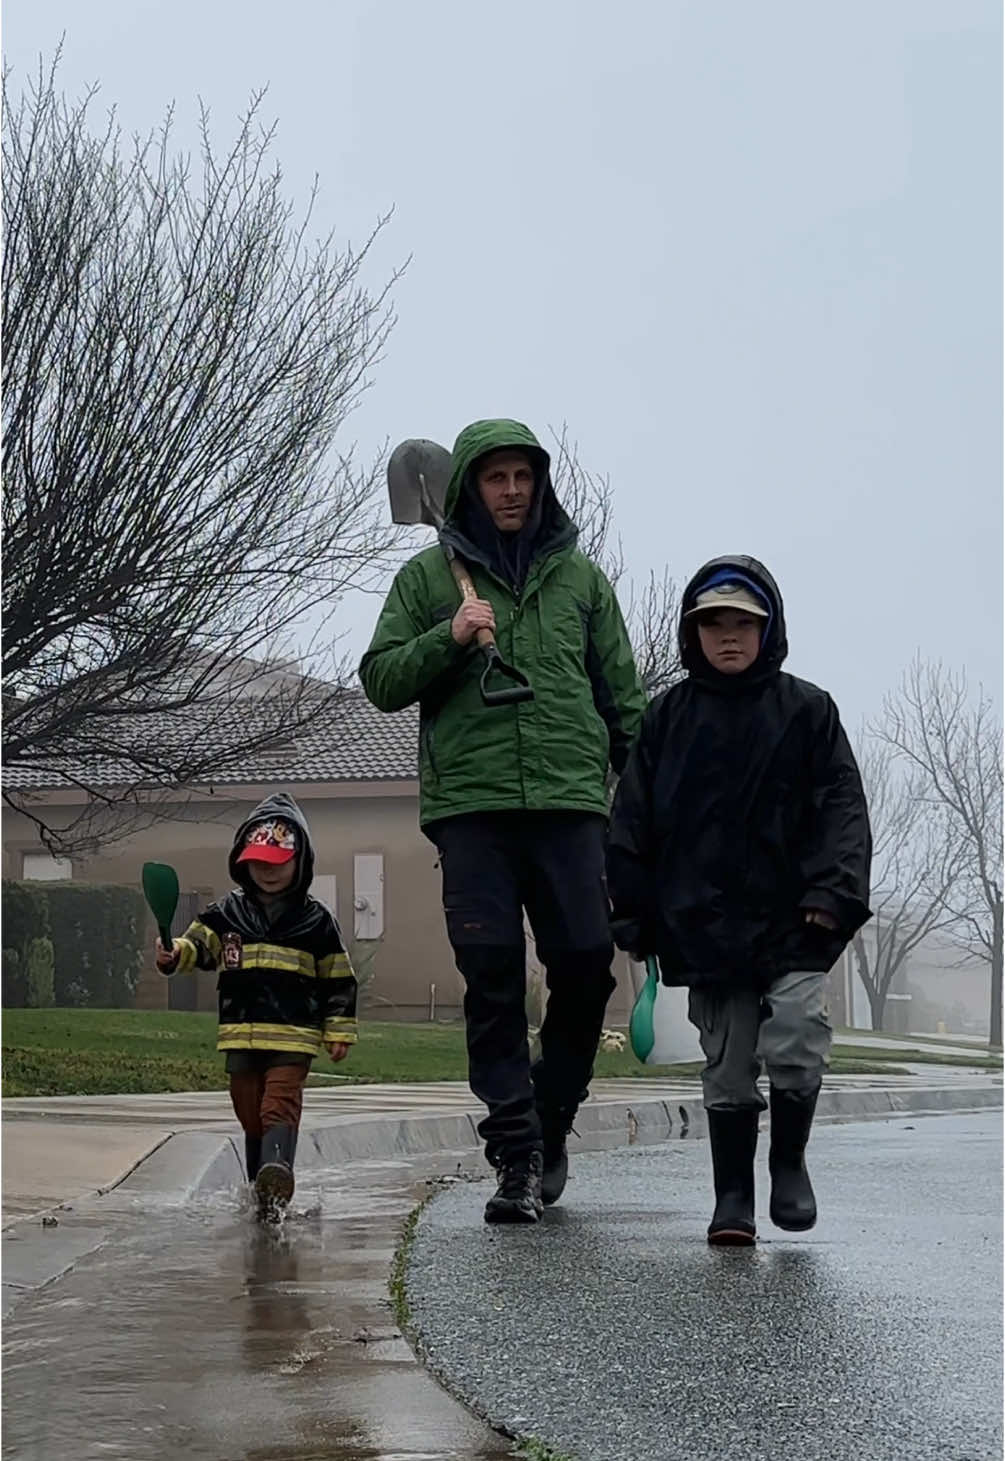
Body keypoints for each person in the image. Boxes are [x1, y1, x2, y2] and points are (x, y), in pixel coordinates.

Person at [360, 418, 645, 1224]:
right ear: (468, 490)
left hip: (568, 805)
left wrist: (655, 804)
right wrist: (448, 638)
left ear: (540, 483)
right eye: (496, 478)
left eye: (523, 475)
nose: (512, 490)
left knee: (588, 965)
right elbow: (380, 678)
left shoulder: (582, 583)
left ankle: (550, 1118)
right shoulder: (428, 580)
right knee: (490, 980)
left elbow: (623, 700)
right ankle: (515, 1154)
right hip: (472, 810)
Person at [607, 557, 871, 1245]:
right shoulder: (668, 719)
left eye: (743, 623)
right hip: (703, 922)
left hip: (795, 918)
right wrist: (632, 909)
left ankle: (788, 1163)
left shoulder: (807, 712)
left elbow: (843, 811)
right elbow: (631, 819)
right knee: (726, 1061)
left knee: (795, 1031)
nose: (728, 636)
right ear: (691, 634)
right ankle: (732, 1194)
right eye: (712, 624)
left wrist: (832, 895)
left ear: (768, 628)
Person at [155, 792, 357, 1215]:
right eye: (258, 861)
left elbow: (338, 976)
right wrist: (174, 954)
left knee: (277, 1105)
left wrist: (338, 1028)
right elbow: (198, 946)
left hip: (293, 1035)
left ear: (300, 862)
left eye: (277, 862)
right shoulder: (226, 913)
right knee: (249, 1111)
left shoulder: (316, 921)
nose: (267, 870)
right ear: (242, 860)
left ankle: (278, 1167)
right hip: (241, 1033)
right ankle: (261, 1191)